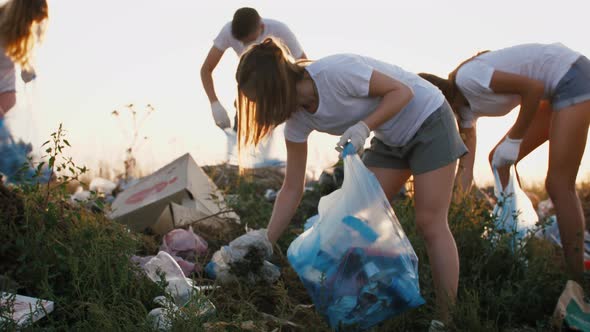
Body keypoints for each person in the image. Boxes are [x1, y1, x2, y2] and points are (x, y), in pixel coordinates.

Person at [235, 37, 467, 329]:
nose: (262, 112)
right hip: (391, 139)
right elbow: (292, 188)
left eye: (261, 102)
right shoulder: (297, 120)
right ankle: (374, 299)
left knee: (429, 221)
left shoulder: (335, 72)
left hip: (428, 118)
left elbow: (402, 92)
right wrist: (266, 240)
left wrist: (363, 127)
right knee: (353, 221)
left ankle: (446, 319)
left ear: (274, 88)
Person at [419, 42, 590, 286]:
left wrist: (515, 138)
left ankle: (577, 281)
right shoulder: (464, 113)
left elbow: (533, 88)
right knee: (497, 159)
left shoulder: (469, 79)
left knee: (558, 184)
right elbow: (465, 167)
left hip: (572, 76)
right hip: (551, 93)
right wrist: (452, 212)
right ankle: (518, 228)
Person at [200, 7, 306, 130]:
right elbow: (206, 69)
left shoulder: (280, 30)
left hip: (276, 91)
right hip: (249, 89)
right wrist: (215, 104)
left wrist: (300, 99)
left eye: (250, 41)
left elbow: (303, 63)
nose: (246, 46)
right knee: (238, 138)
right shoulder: (227, 31)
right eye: (242, 42)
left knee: (276, 138)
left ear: (261, 27)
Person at [0, 0, 47, 122]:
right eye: (31, 20)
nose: (32, 25)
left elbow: (22, 62)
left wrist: (27, 70)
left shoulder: (21, 35)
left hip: (6, 97)